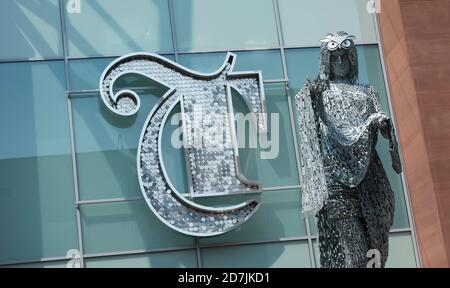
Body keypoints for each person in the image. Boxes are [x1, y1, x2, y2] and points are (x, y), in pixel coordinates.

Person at [295, 31, 402, 268]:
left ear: (353, 59)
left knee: (376, 245)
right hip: (337, 178)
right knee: (356, 254)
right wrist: (312, 96)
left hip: (370, 176)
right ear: (327, 62)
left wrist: (382, 124)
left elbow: (384, 130)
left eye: (345, 57)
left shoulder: (367, 92)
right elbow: (309, 120)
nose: (340, 63)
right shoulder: (321, 92)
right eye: (335, 58)